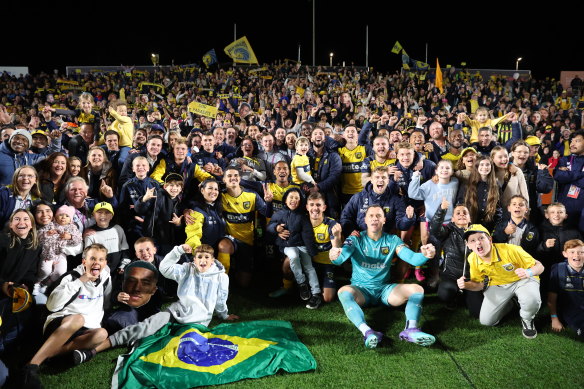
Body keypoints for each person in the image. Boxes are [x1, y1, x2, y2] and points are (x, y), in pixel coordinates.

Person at [71, 244, 239, 365]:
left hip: (197, 322)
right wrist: (178, 250)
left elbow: (220, 299)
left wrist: (224, 315)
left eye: (206, 257)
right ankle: (92, 351)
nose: (202, 261)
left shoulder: (221, 277)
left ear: (213, 259)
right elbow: (165, 268)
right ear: (194, 259)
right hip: (176, 312)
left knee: (175, 348)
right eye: (199, 257)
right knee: (146, 326)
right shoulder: (187, 269)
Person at [329, 204, 437, 348]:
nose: (375, 219)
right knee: (343, 292)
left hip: (385, 291)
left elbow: (412, 258)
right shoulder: (355, 239)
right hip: (361, 290)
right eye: (371, 216)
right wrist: (334, 250)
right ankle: (367, 332)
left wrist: (425, 255)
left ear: (384, 220)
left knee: (417, 289)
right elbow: (339, 259)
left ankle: (411, 329)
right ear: (365, 220)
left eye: (378, 216)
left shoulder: (392, 240)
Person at [22, 244, 111, 388]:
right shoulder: (71, 277)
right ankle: (31, 365)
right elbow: (51, 305)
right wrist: (80, 281)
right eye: (92, 259)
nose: (96, 263)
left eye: (101, 259)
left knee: (102, 334)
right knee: (78, 319)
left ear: (105, 263)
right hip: (62, 324)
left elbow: (105, 302)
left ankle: (51, 356)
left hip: (84, 330)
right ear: (84, 261)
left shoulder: (106, 277)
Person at [457, 224, 544, 339]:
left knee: (531, 300)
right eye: (472, 240)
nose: (478, 243)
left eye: (481, 238)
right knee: (486, 321)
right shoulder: (472, 258)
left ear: (490, 239)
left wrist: (529, 272)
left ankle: (527, 320)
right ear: (468, 245)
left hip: (522, 280)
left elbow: (540, 266)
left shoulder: (511, 249)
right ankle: (510, 303)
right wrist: (466, 285)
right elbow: (479, 285)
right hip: (498, 285)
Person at [267, 188, 321, 309]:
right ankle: (302, 283)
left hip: (301, 244)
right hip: (287, 245)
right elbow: (269, 226)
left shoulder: (302, 216)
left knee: (309, 267)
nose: (294, 200)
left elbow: (307, 234)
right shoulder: (279, 214)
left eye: (297, 198)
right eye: (291, 197)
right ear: (285, 200)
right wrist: (276, 228)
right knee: (294, 256)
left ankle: (316, 293)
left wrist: (311, 250)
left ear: (300, 201)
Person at [429, 202, 483, 316]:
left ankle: (465, 296)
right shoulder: (447, 231)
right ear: (452, 219)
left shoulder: (477, 232)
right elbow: (434, 229)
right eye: (458, 213)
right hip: (451, 275)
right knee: (445, 292)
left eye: (465, 213)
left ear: (470, 218)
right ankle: (452, 299)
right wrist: (441, 210)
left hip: (471, 278)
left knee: (477, 312)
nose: (462, 215)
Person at [0, 210, 41, 357]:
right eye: (17, 219)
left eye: (25, 219)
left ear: (31, 225)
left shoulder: (35, 246)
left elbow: (31, 273)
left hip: (17, 291)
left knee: (28, 311)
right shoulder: (2, 240)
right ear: (11, 225)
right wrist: (3, 285)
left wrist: (26, 286)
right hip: (2, 289)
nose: (21, 222)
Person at [135, 173, 186, 256]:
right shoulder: (156, 196)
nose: (174, 188)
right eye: (171, 185)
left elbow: (180, 227)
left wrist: (178, 224)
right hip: (152, 239)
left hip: (169, 242)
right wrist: (144, 199)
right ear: (165, 186)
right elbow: (139, 210)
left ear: (181, 189)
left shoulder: (181, 204)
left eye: (177, 186)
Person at [35, 205, 82, 295]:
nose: (63, 217)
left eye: (67, 216)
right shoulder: (50, 225)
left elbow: (78, 240)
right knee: (45, 270)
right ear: (55, 217)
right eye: (61, 215)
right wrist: (47, 233)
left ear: (71, 219)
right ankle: (37, 282)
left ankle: (48, 284)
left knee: (61, 272)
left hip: (61, 254)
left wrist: (70, 237)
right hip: (48, 252)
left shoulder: (72, 228)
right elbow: (38, 235)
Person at [547, 239, 584, 339]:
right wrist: (554, 319)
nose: (576, 255)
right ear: (565, 254)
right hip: (571, 309)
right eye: (572, 252)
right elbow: (551, 298)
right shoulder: (558, 269)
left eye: (581, 252)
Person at [554, 130, 584, 228]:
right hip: (564, 210)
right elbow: (558, 176)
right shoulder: (565, 159)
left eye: (577, 141)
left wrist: (568, 175)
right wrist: (581, 174)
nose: (572, 144)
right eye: (572, 141)